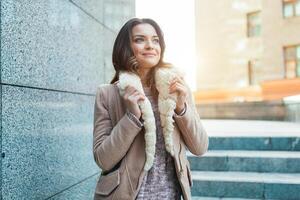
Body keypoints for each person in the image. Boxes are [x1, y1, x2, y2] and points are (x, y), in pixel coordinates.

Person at [93, 18, 208, 200]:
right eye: (140, 39)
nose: (150, 45)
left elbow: (200, 147)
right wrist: (131, 117)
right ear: (126, 47)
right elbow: (103, 159)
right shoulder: (107, 94)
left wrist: (181, 109)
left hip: (170, 194)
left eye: (155, 40)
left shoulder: (177, 89)